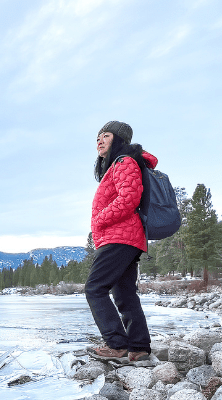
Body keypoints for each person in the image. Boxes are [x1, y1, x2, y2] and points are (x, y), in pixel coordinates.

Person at [85, 120, 154, 362]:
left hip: (119, 236)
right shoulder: (117, 165)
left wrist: (99, 221)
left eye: (105, 136)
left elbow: (129, 198)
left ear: (118, 138)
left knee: (95, 288)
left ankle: (117, 344)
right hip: (126, 237)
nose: (99, 141)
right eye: (97, 138)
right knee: (124, 293)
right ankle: (139, 347)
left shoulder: (124, 161)